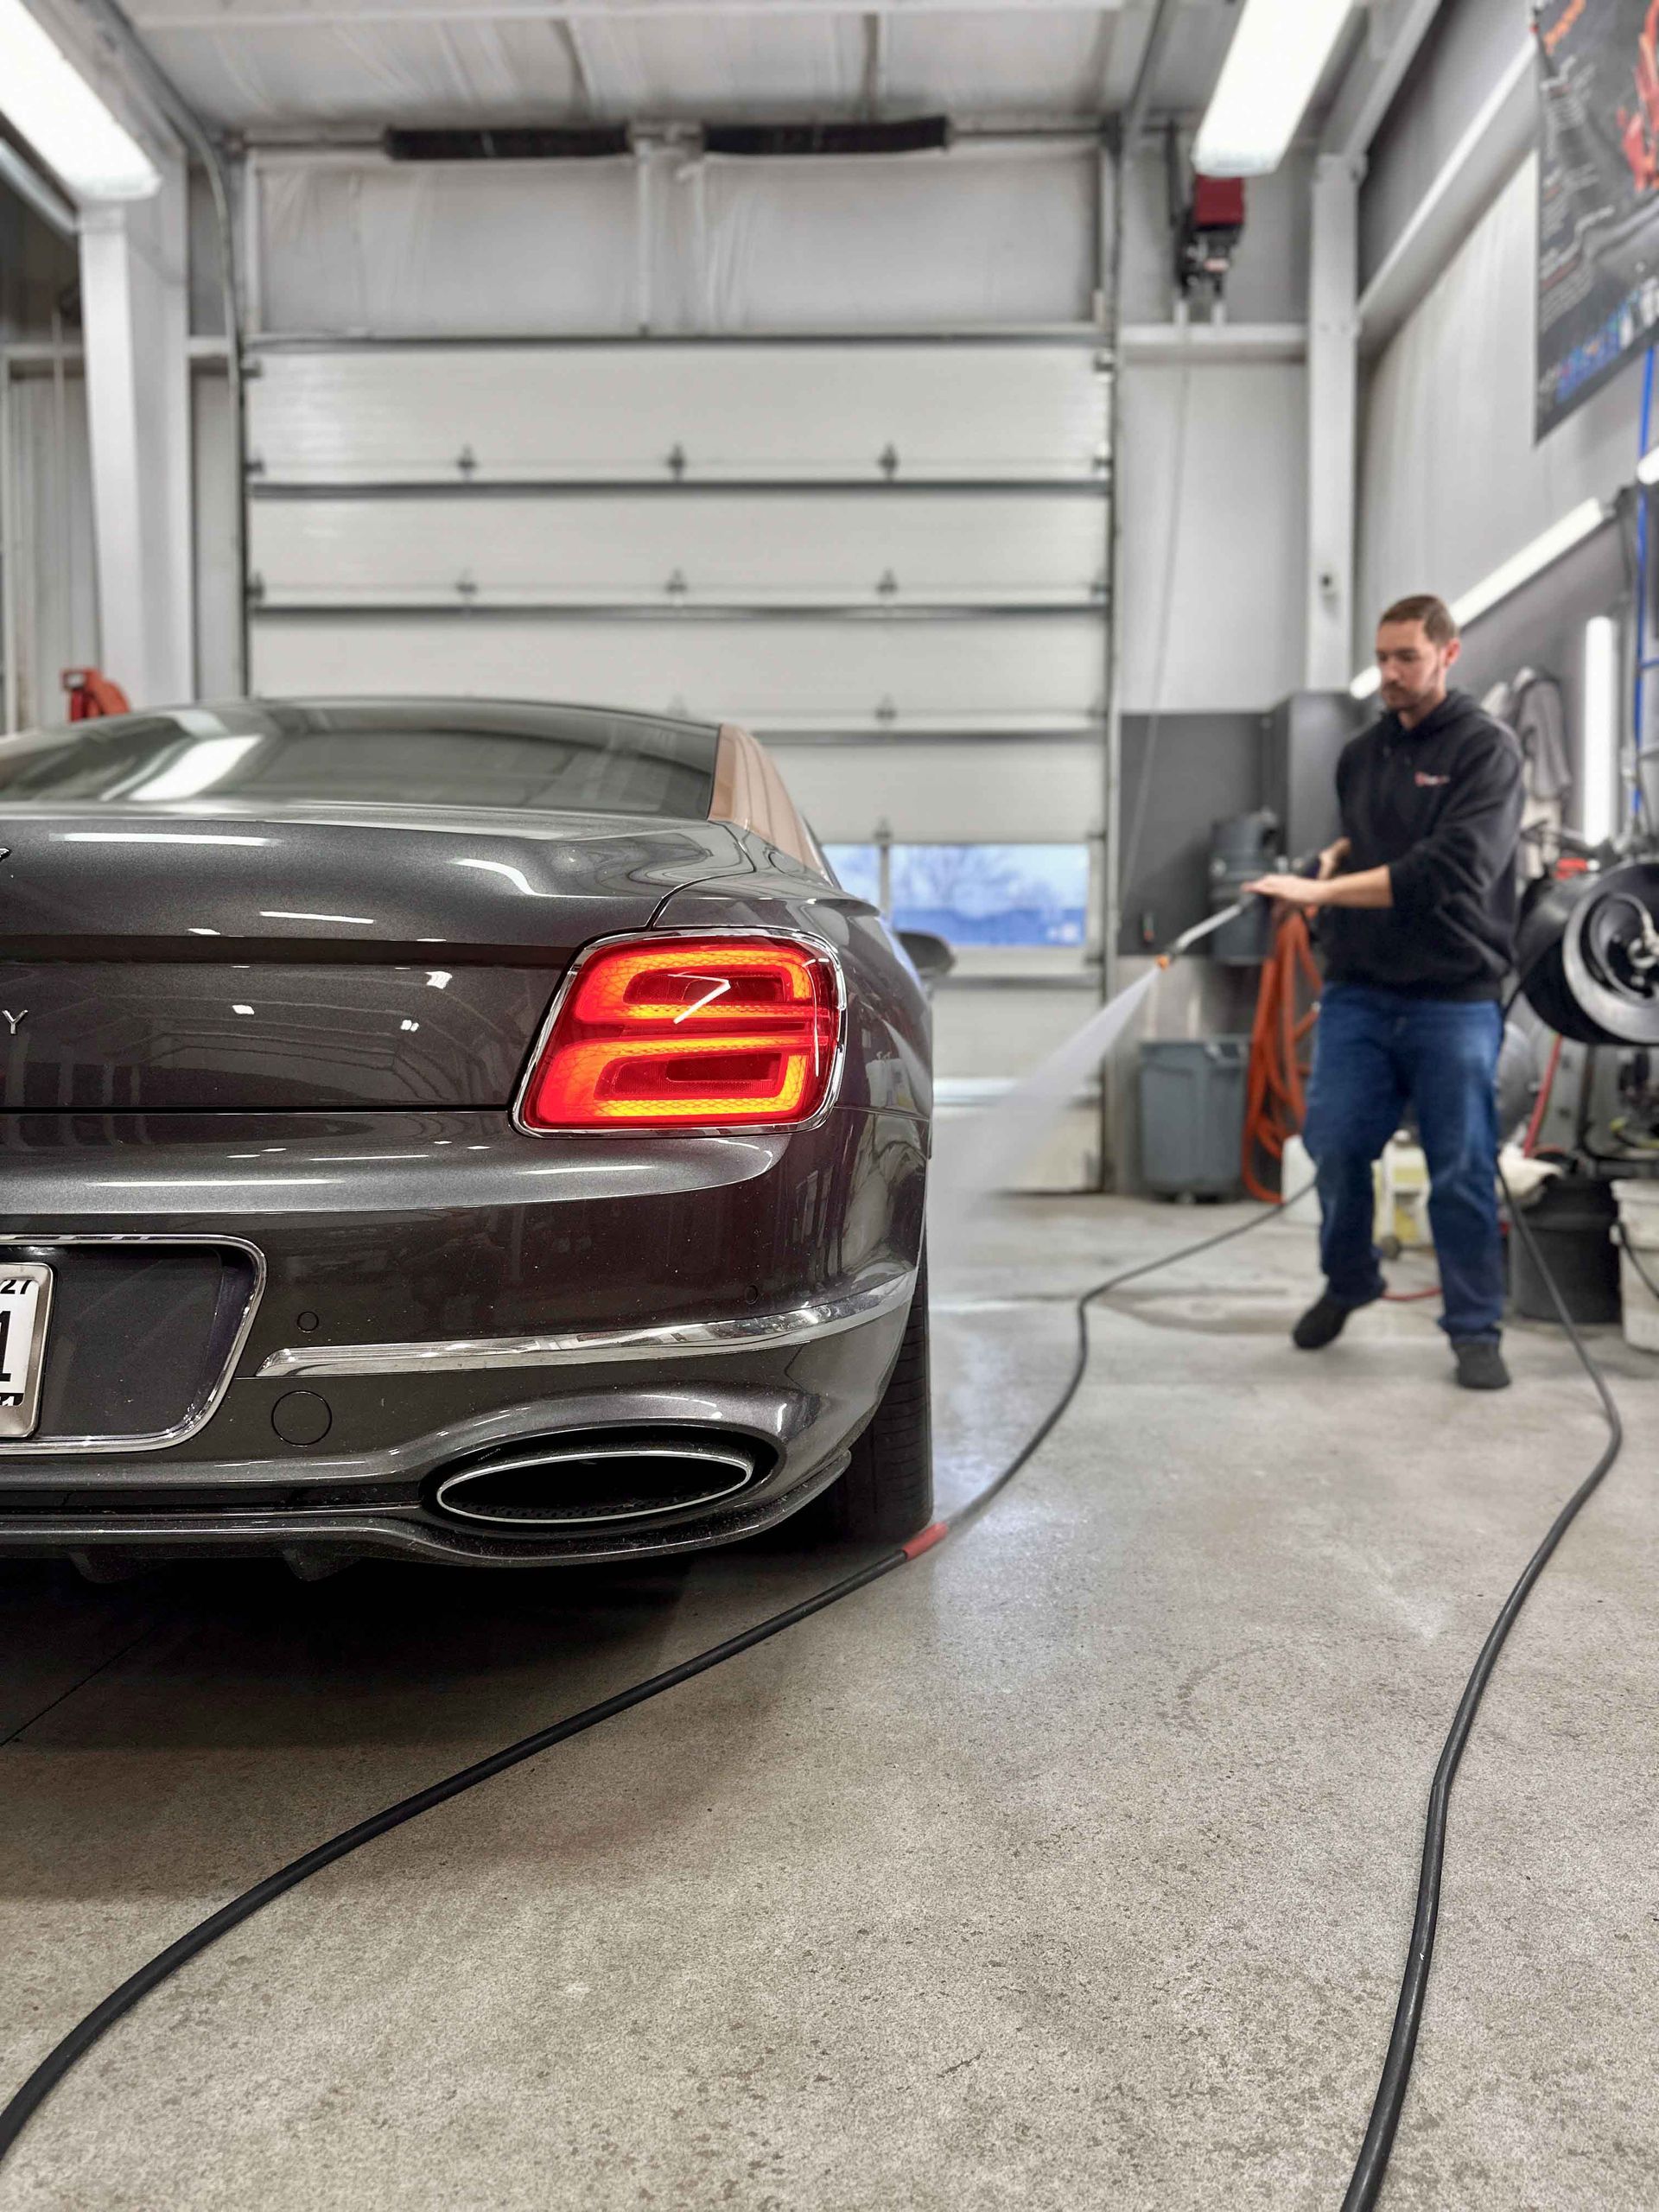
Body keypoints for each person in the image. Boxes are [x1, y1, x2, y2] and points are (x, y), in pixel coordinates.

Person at [1247, 594, 1524, 1391]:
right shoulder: (1361, 754)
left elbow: (1451, 869)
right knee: (1333, 1144)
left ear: (1449, 654)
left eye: (1408, 657)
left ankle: (1475, 1327)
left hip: (1454, 996)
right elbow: (1371, 836)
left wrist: (1321, 899)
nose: (1392, 674)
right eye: (1383, 659)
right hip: (1361, 992)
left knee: (1462, 1167)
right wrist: (1328, 862)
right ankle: (1351, 1278)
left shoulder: (1486, 751)